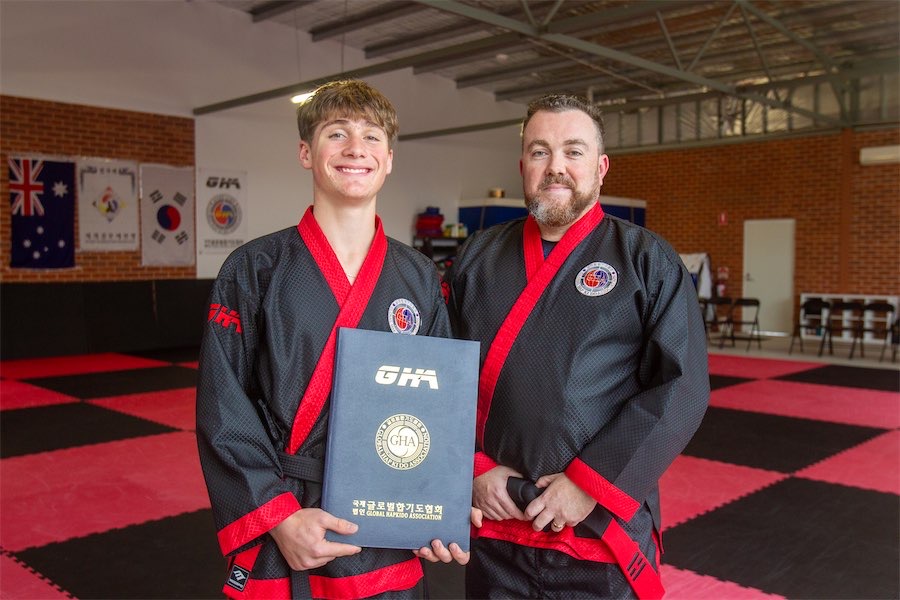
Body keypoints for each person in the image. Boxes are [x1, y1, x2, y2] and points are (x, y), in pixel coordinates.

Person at [196, 79, 471, 600]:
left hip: (390, 520)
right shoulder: (254, 268)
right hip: (289, 515)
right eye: (336, 133)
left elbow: (440, 409)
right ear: (306, 152)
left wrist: (438, 502)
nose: (355, 149)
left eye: (371, 137)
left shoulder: (418, 278)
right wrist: (278, 517)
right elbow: (221, 404)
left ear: (389, 159)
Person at [444, 93, 710, 599]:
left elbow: (682, 386)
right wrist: (472, 468)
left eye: (573, 151)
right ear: (523, 165)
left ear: (601, 166)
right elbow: (438, 372)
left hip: (596, 531)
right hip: (496, 524)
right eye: (540, 152)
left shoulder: (645, 260)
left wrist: (589, 484)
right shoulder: (477, 258)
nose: (555, 167)